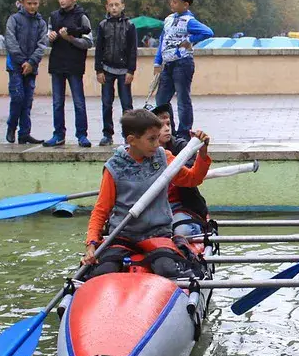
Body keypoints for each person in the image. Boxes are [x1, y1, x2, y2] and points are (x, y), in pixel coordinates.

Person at [82, 109, 212, 277]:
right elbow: (101, 210)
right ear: (132, 140)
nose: (157, 144)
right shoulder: (114, 168)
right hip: (123, 235)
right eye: (151, 139)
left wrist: (202, 153)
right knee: (103, 271)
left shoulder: (164, 157)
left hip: (157, 233)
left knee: (166, 268)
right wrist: (92, 244)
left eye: (157, 138)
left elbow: (192, 179)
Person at [154, 0, 214, 138]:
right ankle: (169, 130)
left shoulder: (189, 20)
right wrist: (157, 61)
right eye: (172, 1)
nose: (172, 3)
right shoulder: (168, 19)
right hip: (168, 64)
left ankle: (184, 132)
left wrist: (190, 40)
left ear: (185, 5)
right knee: (161, 99)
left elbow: (207, 32)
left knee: (182, 97)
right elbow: (163, 41)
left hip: (182, 62)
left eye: (176, 1)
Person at [43, 0, 94, 148]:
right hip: (57, 62)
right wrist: (49, 37)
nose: (62, 1)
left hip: (74, 64)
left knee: (78, 101)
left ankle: (82, 135)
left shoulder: (82, 16)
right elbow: (46, 39)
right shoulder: (54, 16)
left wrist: (70, 39)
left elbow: (88, 42)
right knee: (57, 102)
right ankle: (58, 134)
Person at [152, 104, 212, 238]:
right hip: (152, 209)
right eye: (161, 126)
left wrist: (201, 152)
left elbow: (192, 177)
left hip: (179, 207)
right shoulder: (126, 159)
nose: (167, 129)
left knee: (181, 231)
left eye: (168, 124)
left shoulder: (180, 149)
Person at [4, 0, 47, 144]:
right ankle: (11, 126)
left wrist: (31, 62)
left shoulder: (41, 23)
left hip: (31, 67)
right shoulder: (14, 19)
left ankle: (24, 133)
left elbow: (42, 44)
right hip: (15, 66)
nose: (32, 7)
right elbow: (10, 41)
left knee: (27, 100)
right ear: (22, 3)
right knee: (17, 97)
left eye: (35, 3)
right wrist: (22, 61)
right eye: (29, 3)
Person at [95, 0, 138, 146]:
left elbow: (133, 50)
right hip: (107, 69)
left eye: (116, 5)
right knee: (106, 103)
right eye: (111, 5)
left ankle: (129, 135)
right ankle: (107, 134)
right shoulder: (102, 25)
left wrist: (131, 70)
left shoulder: (130, 26)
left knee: (127, 105)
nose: (114, 8)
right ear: (107, 7)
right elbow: (98, 49)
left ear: (122, 6)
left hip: (124, 70)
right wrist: (98, 70)